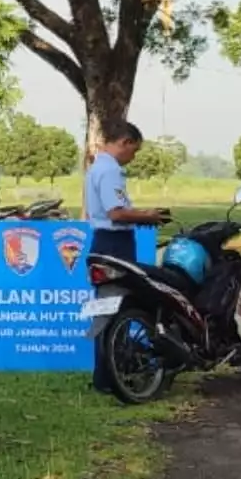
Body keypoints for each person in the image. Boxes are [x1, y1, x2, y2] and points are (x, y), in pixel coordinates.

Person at [85, 120, 169, 393]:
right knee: (117, 309)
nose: (132, 158)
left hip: (104, 241)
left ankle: (107, 377)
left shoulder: (97, 166)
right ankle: (112, 378)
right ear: (125, 142)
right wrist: (149, 215)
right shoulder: (110, 171)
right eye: (134, 151)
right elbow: (117, 213)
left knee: (108, 309)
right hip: (115, 243)